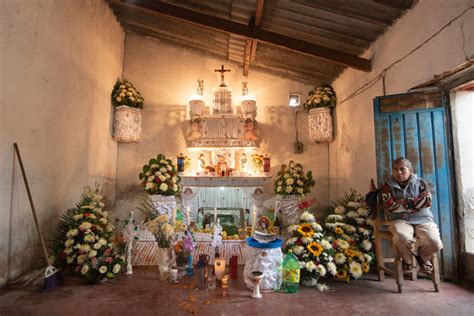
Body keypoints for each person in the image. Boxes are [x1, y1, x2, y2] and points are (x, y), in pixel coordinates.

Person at [381, 157, 443, 273]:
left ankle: (423, 258)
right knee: (401, 237)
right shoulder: (387, 186)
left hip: (423, 219)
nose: (398, 172)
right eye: (395, 169)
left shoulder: (420, 183)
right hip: (399, 219)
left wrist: (402, 202)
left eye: (402, 169)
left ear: (411, 170)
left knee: (435, 242)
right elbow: (389, 206)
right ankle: (408, 261)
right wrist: (415, 202)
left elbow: (427, 202)